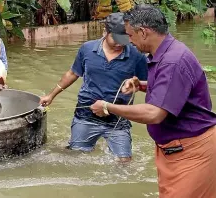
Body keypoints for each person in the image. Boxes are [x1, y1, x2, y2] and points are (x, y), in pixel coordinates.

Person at [91, 5, 216, 198]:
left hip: (192, 151)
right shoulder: (167, 53)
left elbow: (154, 113)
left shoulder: (172, 61)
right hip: (176, 149)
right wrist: (141, 85)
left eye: (130, 35)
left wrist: (108, 107)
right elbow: (174, 89)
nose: (129, 41)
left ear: (143, 32)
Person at [40, 12, 148, 161]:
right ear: (105, 32)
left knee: (124, 163)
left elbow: (149, 85)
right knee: (77, 158)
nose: (120, 43)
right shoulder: (87, 49)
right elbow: (72, 73)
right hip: (86, 115)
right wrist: (51, 95)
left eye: (125, 39)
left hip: (118, 118)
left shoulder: (137, 55)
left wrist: (136, 85)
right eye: (115, 38)